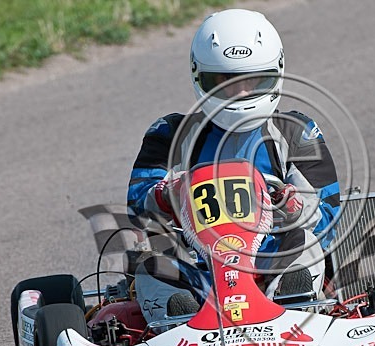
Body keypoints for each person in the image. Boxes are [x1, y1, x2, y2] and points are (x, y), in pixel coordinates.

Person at [127, 8, 340, 319]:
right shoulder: (171, 134)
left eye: (253, 80)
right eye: (225, 81)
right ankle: (181, 322)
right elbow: (137, 205)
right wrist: (165, 194)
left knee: (305, 244)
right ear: (201, 77)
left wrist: (291, 208)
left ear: (274, 74)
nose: (240, 92)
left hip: (270, 257)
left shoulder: (295, 132)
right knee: (153, 265)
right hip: (198, 267)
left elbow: (328, 214)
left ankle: (289, 307)